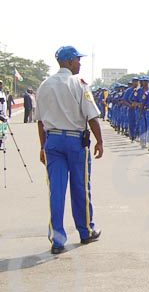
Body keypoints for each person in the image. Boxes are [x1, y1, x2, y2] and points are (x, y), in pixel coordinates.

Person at [36, 46, 103, 255]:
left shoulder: (44, 85)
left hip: (53, 142)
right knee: (80, 187)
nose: (80, 63)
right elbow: (91, 116)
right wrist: (99, 141)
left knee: (56, 190)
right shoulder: (79, 84)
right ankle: (86, 231)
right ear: (70, 61)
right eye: (78, 60)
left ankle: (57, 240)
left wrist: (42, 146)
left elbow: (40, 121)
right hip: (75, 142)